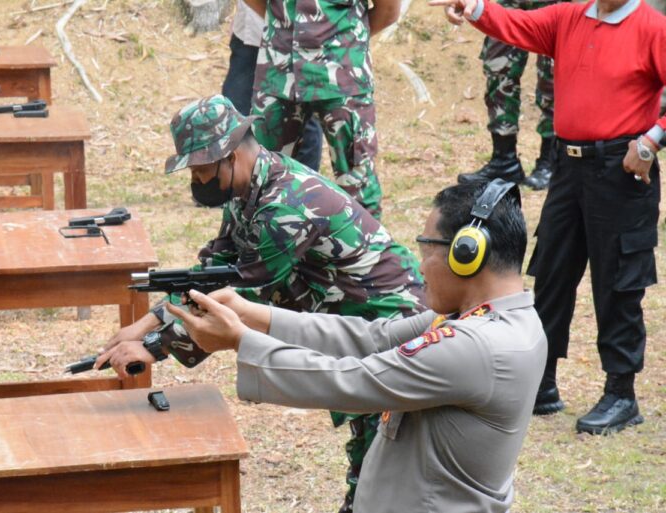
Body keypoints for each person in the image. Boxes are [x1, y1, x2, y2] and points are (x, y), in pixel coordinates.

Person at [97, 94, 426, 512]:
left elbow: (240, 298)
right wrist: (143, 324)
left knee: (380, 440)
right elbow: (215, 271)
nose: (196, 182)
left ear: (230, 156)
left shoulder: (284, 205)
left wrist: (153, 347)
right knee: (369, 439)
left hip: (385, 318)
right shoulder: (246, 191)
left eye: (200, 170)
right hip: (343, 315)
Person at [138, 179, 546, 513]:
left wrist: (239, 341)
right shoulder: (492, 320)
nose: (420, 266)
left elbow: (351, 381)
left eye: (427, 250)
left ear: (467, 254)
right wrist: (253, 313)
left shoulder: (477, 346)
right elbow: (373, 339)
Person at [430, 0, 666, 434]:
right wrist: (473, 6)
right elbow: (516, 24)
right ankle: (542, 382)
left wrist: (651, 140)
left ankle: (621, 392)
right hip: (568, 167)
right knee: (552, 272)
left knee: (618, 280)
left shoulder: (652, 28)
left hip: (620, 170)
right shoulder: (569, 17)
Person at [243, 0, 403, 219]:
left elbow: (389, 10)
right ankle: (266, 249)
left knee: (357, 184)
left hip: (342, 76)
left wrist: (345, 42)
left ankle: (365, 252)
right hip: (278, 75)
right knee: (262, 180)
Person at [457, 0, 559, 190]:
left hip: (556, 5)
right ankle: (504, 160)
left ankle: (550, 161)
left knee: (554, 80)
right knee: (498, 71)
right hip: (509, 4)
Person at [222, 0, 324, 171]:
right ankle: (237, 189)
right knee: (234, 116)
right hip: (251, 38)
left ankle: (304, 191)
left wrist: (283, 23)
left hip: (298, 43)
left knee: (304, 122)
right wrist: (277, 21)